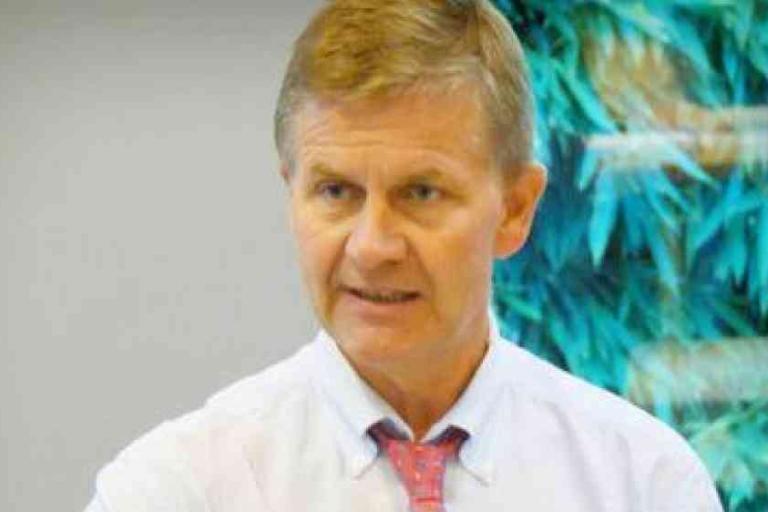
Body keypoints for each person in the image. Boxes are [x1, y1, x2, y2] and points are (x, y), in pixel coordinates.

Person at [85, 1, 723, 510]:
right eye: (336, 192)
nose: (372, 246)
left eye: (421, 192)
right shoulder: (171, 490)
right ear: (292, 193)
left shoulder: (645, 485)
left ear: (516, 209)